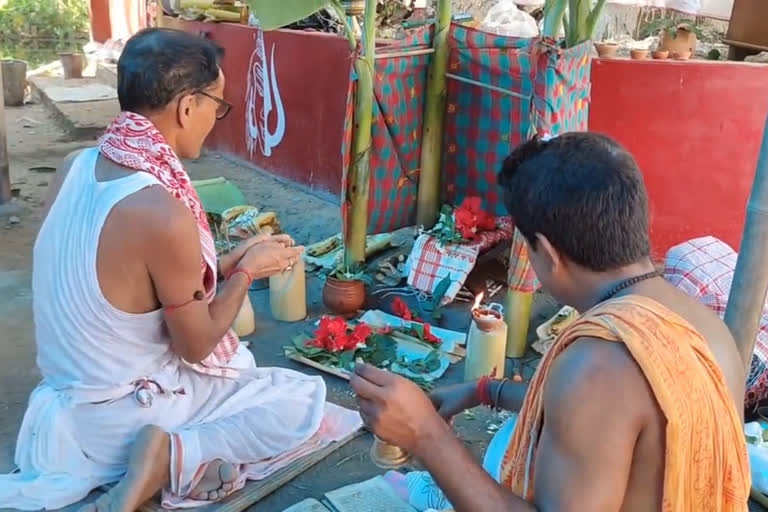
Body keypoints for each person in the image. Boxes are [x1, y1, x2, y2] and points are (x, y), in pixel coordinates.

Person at [0, 28, 335, 511]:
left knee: (252, 378)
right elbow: (196, 345)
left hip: (56, 422)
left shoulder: (77, 165)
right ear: (186, 107)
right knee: (299, 399)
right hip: (118, 425)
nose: (215, 120)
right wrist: (245, 275)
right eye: (217, 105)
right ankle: (168, 456)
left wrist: (224, 264)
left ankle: (168, 460)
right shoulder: (160, 210)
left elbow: (130, 288)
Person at [352, 133, 751, 511]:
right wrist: (484, 389)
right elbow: (617, 422)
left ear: (544, 251)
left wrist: (425, 434)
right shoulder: (703, 323)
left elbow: (601, 402)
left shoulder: (598, 365)